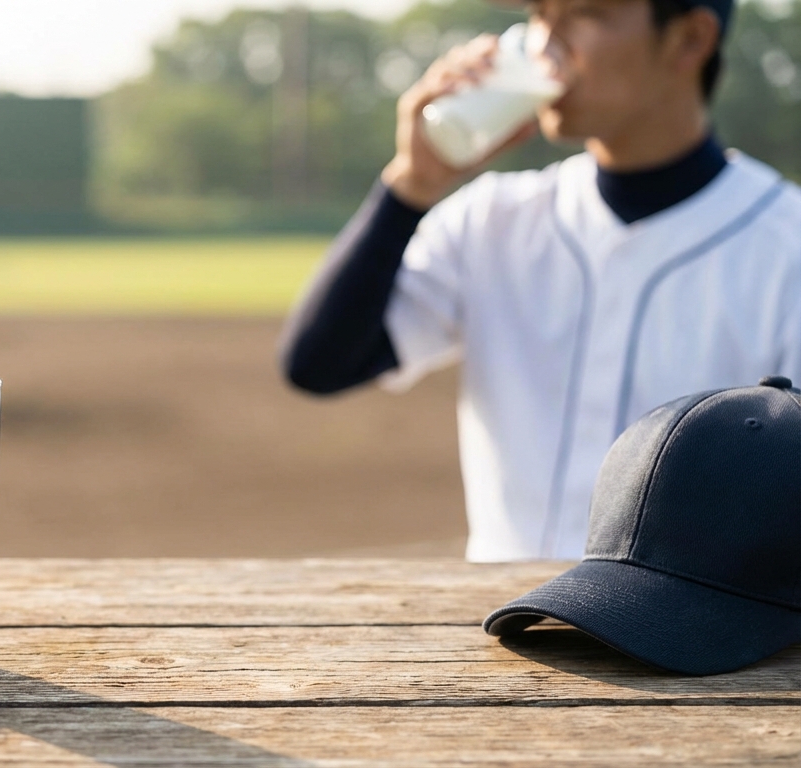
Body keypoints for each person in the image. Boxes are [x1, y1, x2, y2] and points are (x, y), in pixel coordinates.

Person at [280, 0, 801, 561]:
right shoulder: (490, 218)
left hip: (679, 635)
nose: (544, 44)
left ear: (689, 40)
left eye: (584, 14)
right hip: (500, 630)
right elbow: (320, 364)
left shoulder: (787, 242)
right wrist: (411, 184)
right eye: (538, 15)